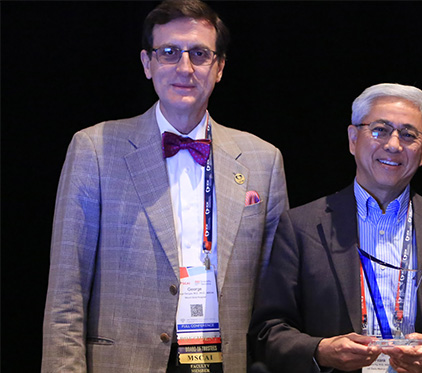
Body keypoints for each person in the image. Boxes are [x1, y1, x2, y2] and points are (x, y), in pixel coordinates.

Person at [41, 1, 288, 371]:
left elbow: (273, 298)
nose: (185, 68)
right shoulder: (95, 148)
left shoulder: (263, 160)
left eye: (200, 54)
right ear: (147, 63)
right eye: (169, 52)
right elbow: (67, 291)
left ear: (219, 67)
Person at [249, 83, 422, 373]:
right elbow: (268, 332)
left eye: (409, 135)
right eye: (380, 130)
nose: (394, 145)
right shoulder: (300, 228)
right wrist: (321, 351)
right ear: (352, 139)